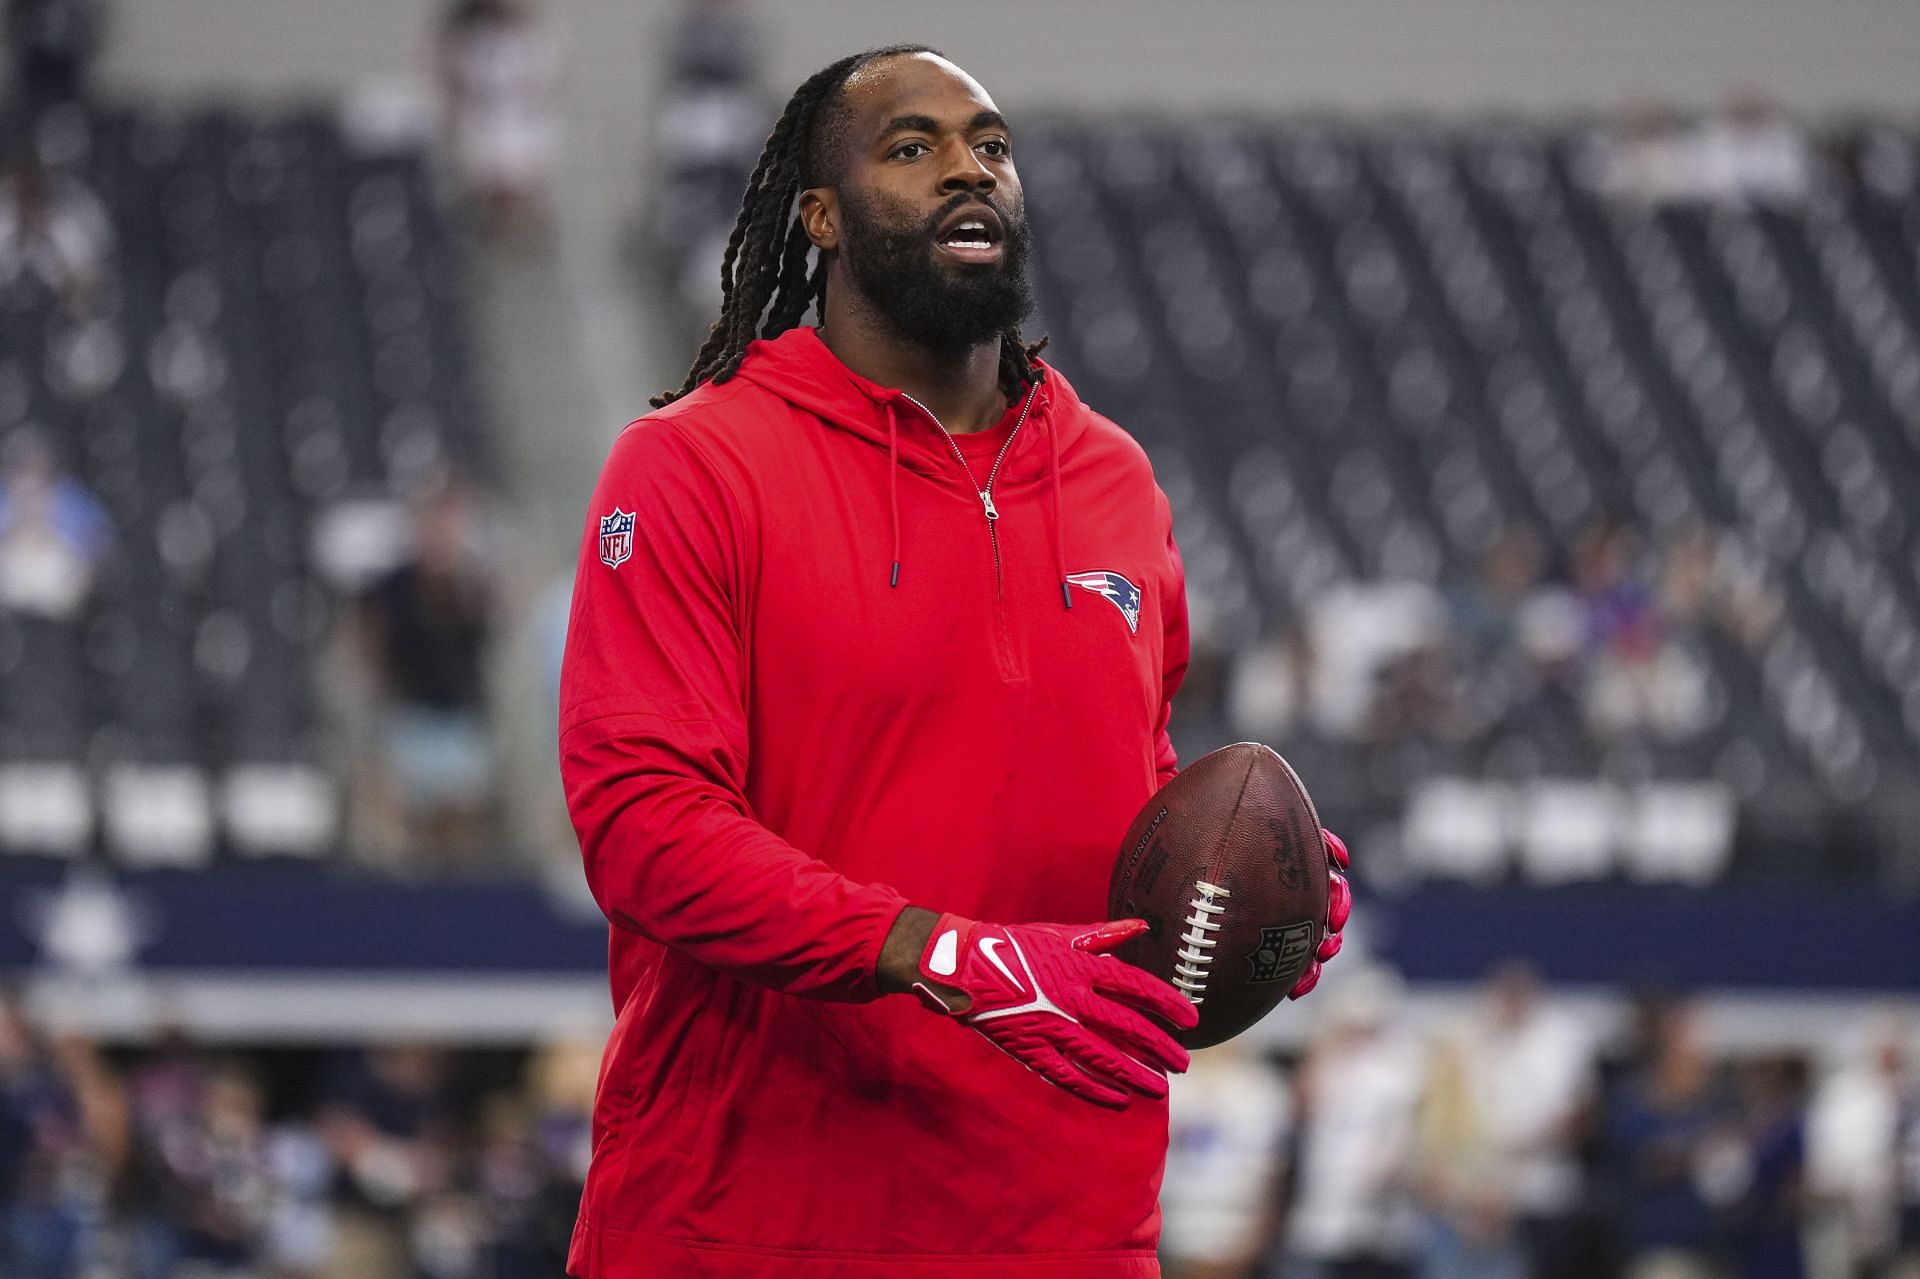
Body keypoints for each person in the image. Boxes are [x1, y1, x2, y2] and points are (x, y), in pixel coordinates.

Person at [557, 45, 1351, 1278]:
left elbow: (1129, 791)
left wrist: (1246, 890)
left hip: (1067, 1231)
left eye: (990, 145)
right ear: (819, 216)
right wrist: (943, 950)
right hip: (748, 1225)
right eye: (911, 147)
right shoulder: (693, 465)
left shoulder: (1114, 482)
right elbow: (642, 830)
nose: (967, 169)